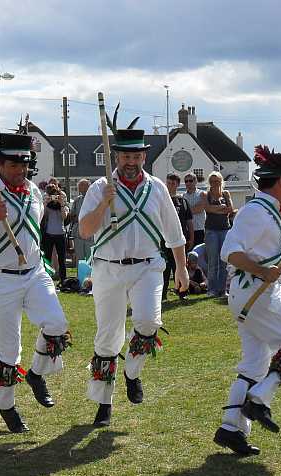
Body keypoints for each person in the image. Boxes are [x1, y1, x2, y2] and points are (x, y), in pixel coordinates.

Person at [0, 132, 71, 433]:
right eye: (13, 164)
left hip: (35, 273)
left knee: (57, 324)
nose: (19, 170)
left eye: (24, 164)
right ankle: (6, 405)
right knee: (8, 351)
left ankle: (36, 374)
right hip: (0, 278)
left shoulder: (34, 191)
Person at [78, 124, 188, 427]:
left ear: (143, 157)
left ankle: (132, 372)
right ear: (117, 158)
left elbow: (174, 233)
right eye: (126, 156)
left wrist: (181, 266)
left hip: (148, 266)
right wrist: (103, 202)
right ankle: (104, 401)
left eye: (136, 155)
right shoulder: (100, 187)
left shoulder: (158, 188)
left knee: (149, 321)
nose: (131, 161)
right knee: (108, 338)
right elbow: (85, 231)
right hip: (108, 268)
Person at [213, 145, 281, 456]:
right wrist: (261, 270)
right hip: (254, 293)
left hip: (252, 293)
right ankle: (259, 399)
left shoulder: (269, 212)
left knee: (254, 364)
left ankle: (231, 428)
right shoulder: (255, 212)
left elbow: (269, 257)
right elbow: (229, 251)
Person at [197, 171, 234, 298]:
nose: (214, 183)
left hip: (224, 229)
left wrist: (218, 209)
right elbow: (207, 208)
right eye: (212, 181)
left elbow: (230, 209)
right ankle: (211, 289)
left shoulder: (226, 193)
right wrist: (221, 209)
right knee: (213, 261)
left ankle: (222, 289)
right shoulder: (205, 194)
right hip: (211, 230)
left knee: (224, 260)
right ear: (209, 182)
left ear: (221, 181)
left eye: (217, 181)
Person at [163, 173, 194, 300]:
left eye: (173, 183)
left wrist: (191, 238)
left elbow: (189, 222)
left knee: (180, 266)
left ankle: (182, 293)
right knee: (164, 268)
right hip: (163, 241)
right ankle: (162, 295)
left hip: (180, 240)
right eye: (168, 183)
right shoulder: (162, 199)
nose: (170, 186)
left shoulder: (183, 201)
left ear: (177, 184)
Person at [40, 178, 70, 282]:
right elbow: (42, 215)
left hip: (60, 234)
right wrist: (46, 203)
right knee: (47, 259)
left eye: (56, 195)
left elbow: (64, 217)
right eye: (53, 195)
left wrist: (61, 203)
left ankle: (63, 280)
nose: (54, 198)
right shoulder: (48, 206)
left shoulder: (64, 206)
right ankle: (46, 279)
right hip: (48, 234)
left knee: (62, 259)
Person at [70, 178, 93, 262]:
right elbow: (72, 216)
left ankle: (91, 274)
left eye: (82, 186)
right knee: (79, 258)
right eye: (79, 187)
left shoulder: (94, 199)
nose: (80, 189)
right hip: (78, 233)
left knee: (90, 258)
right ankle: (80, 275)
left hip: (90, 234)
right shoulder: (77, 200)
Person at [182, 172, 204, 247]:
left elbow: (200, 209)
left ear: (195, 181)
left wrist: (187, 211)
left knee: (201, 255)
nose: (188, 183)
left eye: (190, 180)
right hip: (188, 231)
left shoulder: (202, 194)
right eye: (186, 181)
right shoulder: (183, 196)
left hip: (200, 230)